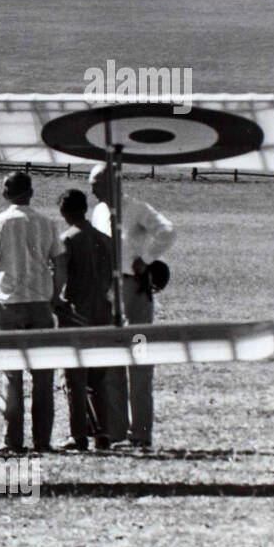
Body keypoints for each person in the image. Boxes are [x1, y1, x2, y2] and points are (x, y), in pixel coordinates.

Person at [88, 164, 176, 450]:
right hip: (107, 289)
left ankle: (141, 433)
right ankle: (116, 432)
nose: (92, 189)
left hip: (133, 288)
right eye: (91, 183)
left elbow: (167, 231)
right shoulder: (99, 212)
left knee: (139, 360)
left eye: (97, 183)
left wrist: (146, 259)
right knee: (112, 359)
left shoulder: (137, 208)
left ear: (114, 182)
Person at [0, 171, 67, 452]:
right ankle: (42, 439)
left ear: (6, 193)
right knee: (43, 376)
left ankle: (12, 440)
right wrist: (54, 295)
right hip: (40, 303)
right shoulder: (47, 221)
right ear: (30, 192)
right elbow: (60, 263)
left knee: (12, 377)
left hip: (9, 304)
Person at [55, 188, 125, 450]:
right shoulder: (106, 239)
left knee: (74, 378)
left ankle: (78, 434)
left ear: (64, 211)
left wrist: (56, 300)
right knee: (98, 378)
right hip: (102, 313)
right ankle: (102, 432)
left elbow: (61, 276)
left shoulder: (67, 239)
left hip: (76, 313)